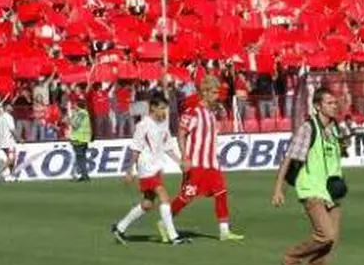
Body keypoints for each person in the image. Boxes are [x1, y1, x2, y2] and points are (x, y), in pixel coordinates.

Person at [273, 87, 346, 265]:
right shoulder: (308, 128)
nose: (334, 106)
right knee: (326, 235)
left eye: (335, 102)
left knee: (331, 243)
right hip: (312, 190)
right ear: (317, 106)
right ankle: (291, 258)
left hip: (332, 193)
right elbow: (289, 158)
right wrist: (278, 189)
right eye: (329, 103)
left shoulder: (335, 128)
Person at [169, 76, 244, 242]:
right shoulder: (192, 112)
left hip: (212, 163)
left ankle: (224, 231)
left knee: (221, 192)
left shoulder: (211, 112)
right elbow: (181, 133)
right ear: (204, 92)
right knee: (187, 196)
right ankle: (166, 222)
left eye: (218, 92)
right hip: (196, 163)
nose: (217, 95)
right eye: (214, 92)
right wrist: (184, 156)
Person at [111, 94, 188, 245]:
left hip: (156, 166)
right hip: (146, 167)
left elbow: (166, 145)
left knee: (148, 204)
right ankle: (174, 237)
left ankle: (119, 228)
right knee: (164, 198)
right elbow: (136, 148)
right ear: (152, 108)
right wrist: (130, 169)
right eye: (161, 108)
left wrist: (179, 161)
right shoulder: (143, 125)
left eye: (165, 108)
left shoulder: (163, 122)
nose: (164, 111)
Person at [68, 96, 92, 182]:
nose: (74, 106)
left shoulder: (80, 114)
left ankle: (84, 175)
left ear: (78, 105)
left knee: (80, 157)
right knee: (82, 157)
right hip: (84, 139)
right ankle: (84, 175)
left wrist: (68, 120)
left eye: (75, 105)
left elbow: (75, 125)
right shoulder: (85, 113)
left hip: (79, 139)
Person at [0, 102, 19, 183]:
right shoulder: (9, 117)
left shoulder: (0, 117)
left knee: (11, 158)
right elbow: (12, 129)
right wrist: (19, 138)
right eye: (10, 106)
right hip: (9, 141)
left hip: (2, 141)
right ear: (6, 107)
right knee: (11, 159)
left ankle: (12, 176)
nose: (12, 107)